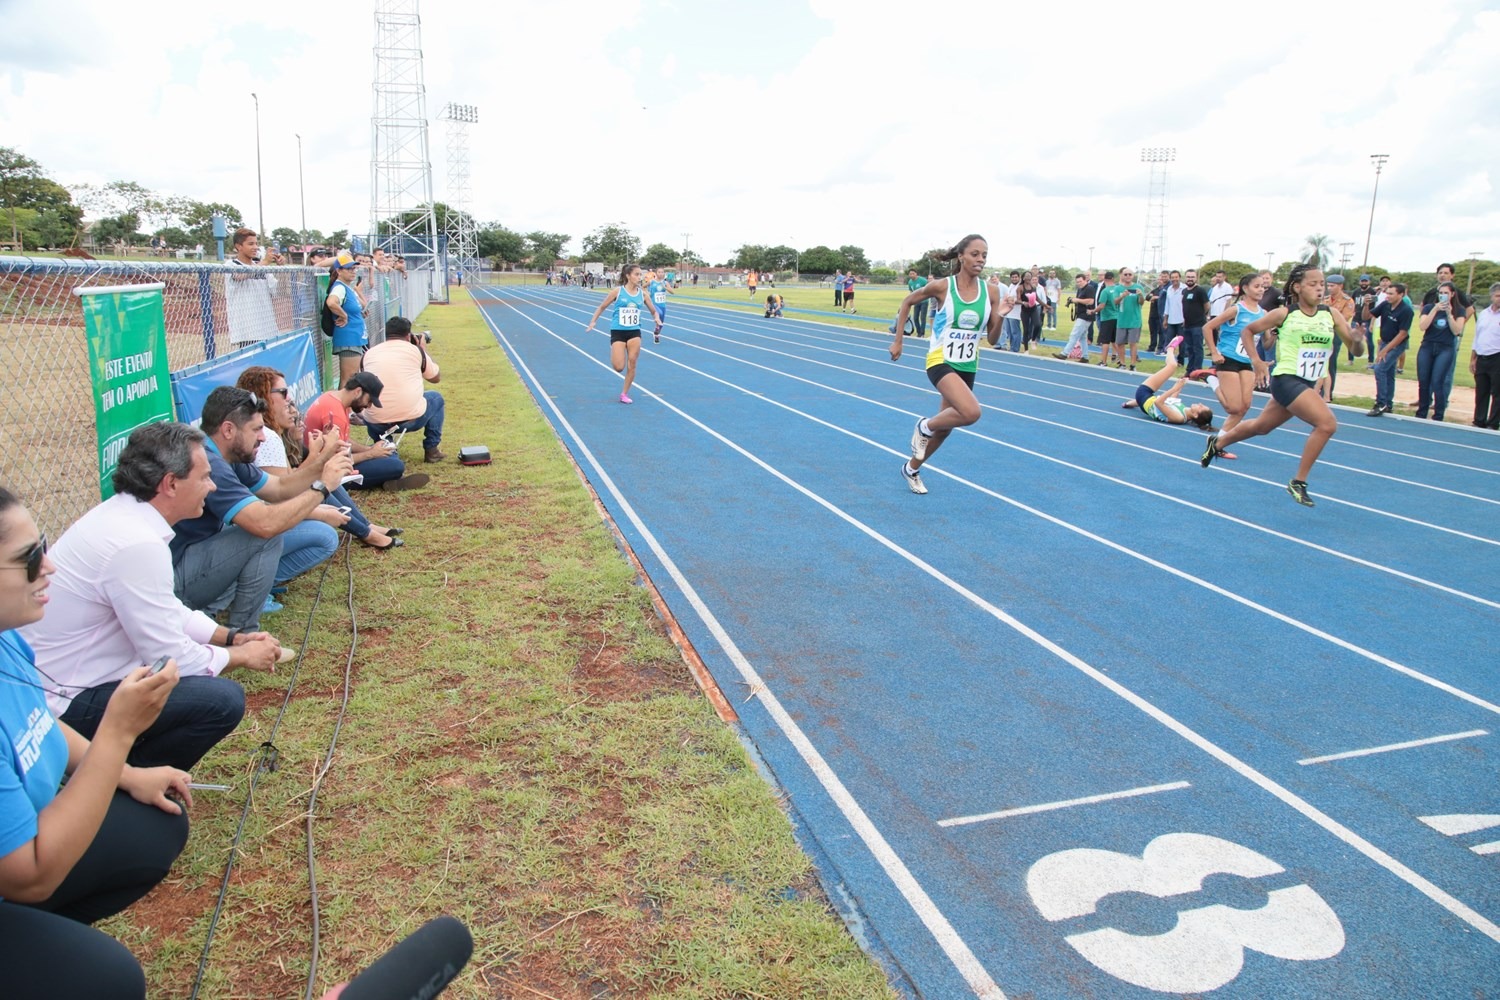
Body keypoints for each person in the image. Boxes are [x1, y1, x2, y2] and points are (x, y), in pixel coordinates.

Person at [0, 485, 194, 1000]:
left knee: (156, 824)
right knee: (109, 980)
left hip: (23, 852)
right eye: (27, 559)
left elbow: (37, 719)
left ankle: (45, 945)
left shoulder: (5, 636)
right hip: (20, 871)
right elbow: (29, 875)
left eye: (41, 546)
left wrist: (129, 774)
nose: (50, 568)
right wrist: (117, 733)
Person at [20, 422, 287, 771]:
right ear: (171, 484)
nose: (213, 485)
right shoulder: (137, 544)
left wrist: (230, 635)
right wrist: (240, 655)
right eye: (205, 476)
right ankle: (119, 781)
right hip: (64, 705)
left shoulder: (124, 517)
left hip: (61, 687)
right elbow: (170, 656)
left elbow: (165, 609)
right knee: (221, 700)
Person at [171, 387, 352, 626]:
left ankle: (215, 615)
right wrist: (322, 487)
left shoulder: (222, 453)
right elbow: (265, 524)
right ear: (228, 430)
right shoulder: (210, 463)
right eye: (257, 429)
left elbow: (278, 488)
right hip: (173, 580)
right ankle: (242, 634)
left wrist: (321, 463)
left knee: (271, 532)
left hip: (189, 561)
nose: (263, 437)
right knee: (265, 535)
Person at [1200, 265, 1365, 506]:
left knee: (1261, 426)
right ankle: (1298, 482)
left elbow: (1355, 349)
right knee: (1327, 424)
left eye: (1322, 284)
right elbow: (1248, 331)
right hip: (1287, 379)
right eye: (1313, 284)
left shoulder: (1331, 314)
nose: (1320, 288)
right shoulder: (1284, 314)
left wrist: (1358, 341)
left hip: (1307, 381)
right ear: (1297, 287)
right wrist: (1256, 361)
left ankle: (1218, 443)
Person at [888, 234, 1011, 495]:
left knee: (945, 430)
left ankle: (911, 469)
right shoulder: (944, 287)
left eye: (984, 255)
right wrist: (899, 341)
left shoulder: (991, 292)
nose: (980, 259)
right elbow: (907, 302)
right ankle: (924, 426)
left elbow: (992, 338)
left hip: (967, 364)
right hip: (940, 360)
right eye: (975, 254)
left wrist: (1000, 315)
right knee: (971, 412)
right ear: (961, 256)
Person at [237, 367, 400, 549]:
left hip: (271, 509)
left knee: (326, 479)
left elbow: (286, 483)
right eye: (283, 393)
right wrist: (367, 453)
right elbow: (284, 491)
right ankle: (366, 532)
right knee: (391, 467)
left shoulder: (335, 403)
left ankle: (366, 528)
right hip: (266, 521)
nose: (289, 399)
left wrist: (367, 450)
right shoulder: (267, 437)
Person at [304, 373, 429, 492]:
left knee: (388, 453)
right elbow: (336, 460)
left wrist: (368, 449)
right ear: (358, 391)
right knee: (396, 465)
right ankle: (390, 479)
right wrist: (370, 454)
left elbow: (343, 441)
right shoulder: (336, 414)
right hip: (325, 472)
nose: (368, 406)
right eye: (369, 400)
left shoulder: (332, 398)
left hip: (327, 462)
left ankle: (388, 479)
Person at [362, 317, 447, 461]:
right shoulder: (415, 351)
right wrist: (422, 350)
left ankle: (384, 446)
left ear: (386, 335)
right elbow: (435, 378)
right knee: (436, 398)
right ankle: (431, 450)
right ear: (409, 336)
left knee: (372, 409)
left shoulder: (369, 354)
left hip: (375, 421)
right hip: (410, 420)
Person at [1198, 272, 1267, 436]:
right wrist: (1214, 353)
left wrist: (1274, 334)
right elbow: (1207, 327)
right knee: (1233, 407)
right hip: (1227, 358)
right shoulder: (1236, 309)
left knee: (1245, 406)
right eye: (1256, 286)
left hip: (1247, 361)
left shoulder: (1264, 314)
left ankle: (1219, 441)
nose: (1261, 290)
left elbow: (1267, 342)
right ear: (1245, 288)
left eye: (1263, 287)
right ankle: (1211, 378)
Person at [584, 263, 661, 405]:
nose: (640, 277)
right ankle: (616, 351)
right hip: (618, 331)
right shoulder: (617, 292)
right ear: (628, 276)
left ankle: (624, 393)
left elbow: (653, 310)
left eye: (640, 274)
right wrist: (593, 322)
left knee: (632, 363)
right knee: (619, 367)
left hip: (634, 332)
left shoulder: (643, 294)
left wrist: (656, 318)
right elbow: (602, 307)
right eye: (637, 274)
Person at [1121, 336, 1217, 430]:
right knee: (1142, 401)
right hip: (1146, 400)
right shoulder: (1184, 411)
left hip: (1143, 394)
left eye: (1201, 407)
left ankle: (1170, 348)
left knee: (1172, 366)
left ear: (1196, 415)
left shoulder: (1179, 418)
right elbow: (1171, 401)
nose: (1200, 403)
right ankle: (1129, 404)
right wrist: (1180, 386)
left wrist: (1174, 388)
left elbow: (1158, 403)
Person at [1414, 281, 1464, 421]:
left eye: (1446, 293)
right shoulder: (1430, 307)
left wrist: (1449, 314)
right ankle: (1421, 412)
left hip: (1445, 348)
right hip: (1428, 346)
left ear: (1452, 294)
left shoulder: (1458, 310)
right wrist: (1435, 310)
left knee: (1437, 381)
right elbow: (1423, 326)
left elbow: (1456, 330)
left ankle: (1438, 414)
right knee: (1423, 381)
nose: (1443, 296)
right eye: (1441, 293)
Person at [224, 228, 282, 345]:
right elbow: (239, 276)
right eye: (250, 244)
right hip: (247, 332)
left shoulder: (261, 266)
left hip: (268, 329)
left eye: (256, 243)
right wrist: (264, 262)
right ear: (239, 246)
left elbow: (277, 290)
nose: (255, 247)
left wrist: (281, 267)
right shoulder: (231, 265)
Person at [1366, 282, 1413, 416]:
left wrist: (1385, 350)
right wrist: (1366, 305)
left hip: (1396, 344)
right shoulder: (1385, 305)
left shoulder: (1406, 310)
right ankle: (1388, 403)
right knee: (1388, 373)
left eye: (1391, 294)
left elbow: (1402, 333)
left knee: (1379, 369)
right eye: (1387, 293)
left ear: (1401, 295)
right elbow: (1369, 316)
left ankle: (1381, 403)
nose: (1388, 296)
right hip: (1385, 341)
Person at [325, 251, 369, 386]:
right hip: (349, 338)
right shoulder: (339, 287)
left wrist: (359, 312)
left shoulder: (347, 288)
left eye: (354, 268)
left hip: (355, 338)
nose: (353, 271)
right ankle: (342, 407)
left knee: (352, 378)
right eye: (349, 269)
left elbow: (362, 306)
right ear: (339, 270)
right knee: (348, 380)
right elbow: (331, 302)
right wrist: (343, 315)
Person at [1471, 282, 1500, 430]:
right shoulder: (1484, 314)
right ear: (1491, 296)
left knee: (1497, 392)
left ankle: (1493, 423)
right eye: (1497, 295)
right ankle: (1479, 420)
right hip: (1482, 356)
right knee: (1481, 391)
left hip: (1497, 357)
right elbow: (1478, 336)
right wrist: (1473, 358)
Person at [1114, 268, 1147, 370]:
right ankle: (1123, 363)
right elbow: (1115, 302)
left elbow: (1141, 302)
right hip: (1122, 319)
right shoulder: (1118, 288)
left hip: (1134, 320)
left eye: (1130, 274)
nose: (1128, 276)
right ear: (1122, 276)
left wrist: (1140, 295)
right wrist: (1122, 296)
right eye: (1125, 274)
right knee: (1120, 343)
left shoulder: (1138, 287)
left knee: (1133, 343)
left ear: (1133, 276)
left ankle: (1133, 365)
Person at [1092, 271, 1121, 366]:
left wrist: (1093, 311)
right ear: (1113, 278)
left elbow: (1102, 305)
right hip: (1117, 317)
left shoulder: (1105, 291)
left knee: (1105, 341)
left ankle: (1103, 361)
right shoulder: (1118, 289)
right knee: (1115, 340)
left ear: (1104, 279)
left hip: (1107, 318)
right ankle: (1120, 360)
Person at [1017, 272, 1046, 351]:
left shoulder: (1033, 286)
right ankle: (1026, 349)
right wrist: (1023, 302)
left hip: (1034, 309)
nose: (1028, 277)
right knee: (1026, 330)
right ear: (1023, 278)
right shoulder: (1020, 288)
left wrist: (1046, 306)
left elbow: (1037, 299)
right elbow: (1017, 300)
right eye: (1027, 276)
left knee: (1038, 325)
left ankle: (1033, 340)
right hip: (1025, 311)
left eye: (1030, 276)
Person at [646, 268, 674, 343]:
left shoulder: (665, 283)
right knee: (658, 315)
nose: (661, 273)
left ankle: (656, 333)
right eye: (659, 272)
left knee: (661, 323)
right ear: (656, 273)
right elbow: (643, 287)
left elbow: (672, 292)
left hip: (662, 305)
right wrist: (647, 294)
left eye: (662, 272)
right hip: (654, 304)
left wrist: (665, 287)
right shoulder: (651, 282)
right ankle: (657, 326)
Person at [999, 269, 1023, 351]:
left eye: (1016, 277)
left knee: (1015, 332)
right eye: (1012, 277)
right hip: (1008, 313)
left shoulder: (1020, 287)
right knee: (1009, 332)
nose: (1014, 279)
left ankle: (1015, 348)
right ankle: (1012, 346)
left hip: (1015, 314)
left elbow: (1022, 300)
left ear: (1019, 277)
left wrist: (1013, 300)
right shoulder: (1011, 286)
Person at [906, 268, 929, 338]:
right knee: (915, 318)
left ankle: (922, 333)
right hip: (916, 302)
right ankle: (918, 332)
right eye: (910, 274)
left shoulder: (922, 280)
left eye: (913, 273)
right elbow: (911, 291)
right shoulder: (910, 282)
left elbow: (929, 287)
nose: (911, 275)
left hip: (924, 301)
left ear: (916, 274)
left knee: (922, 318)